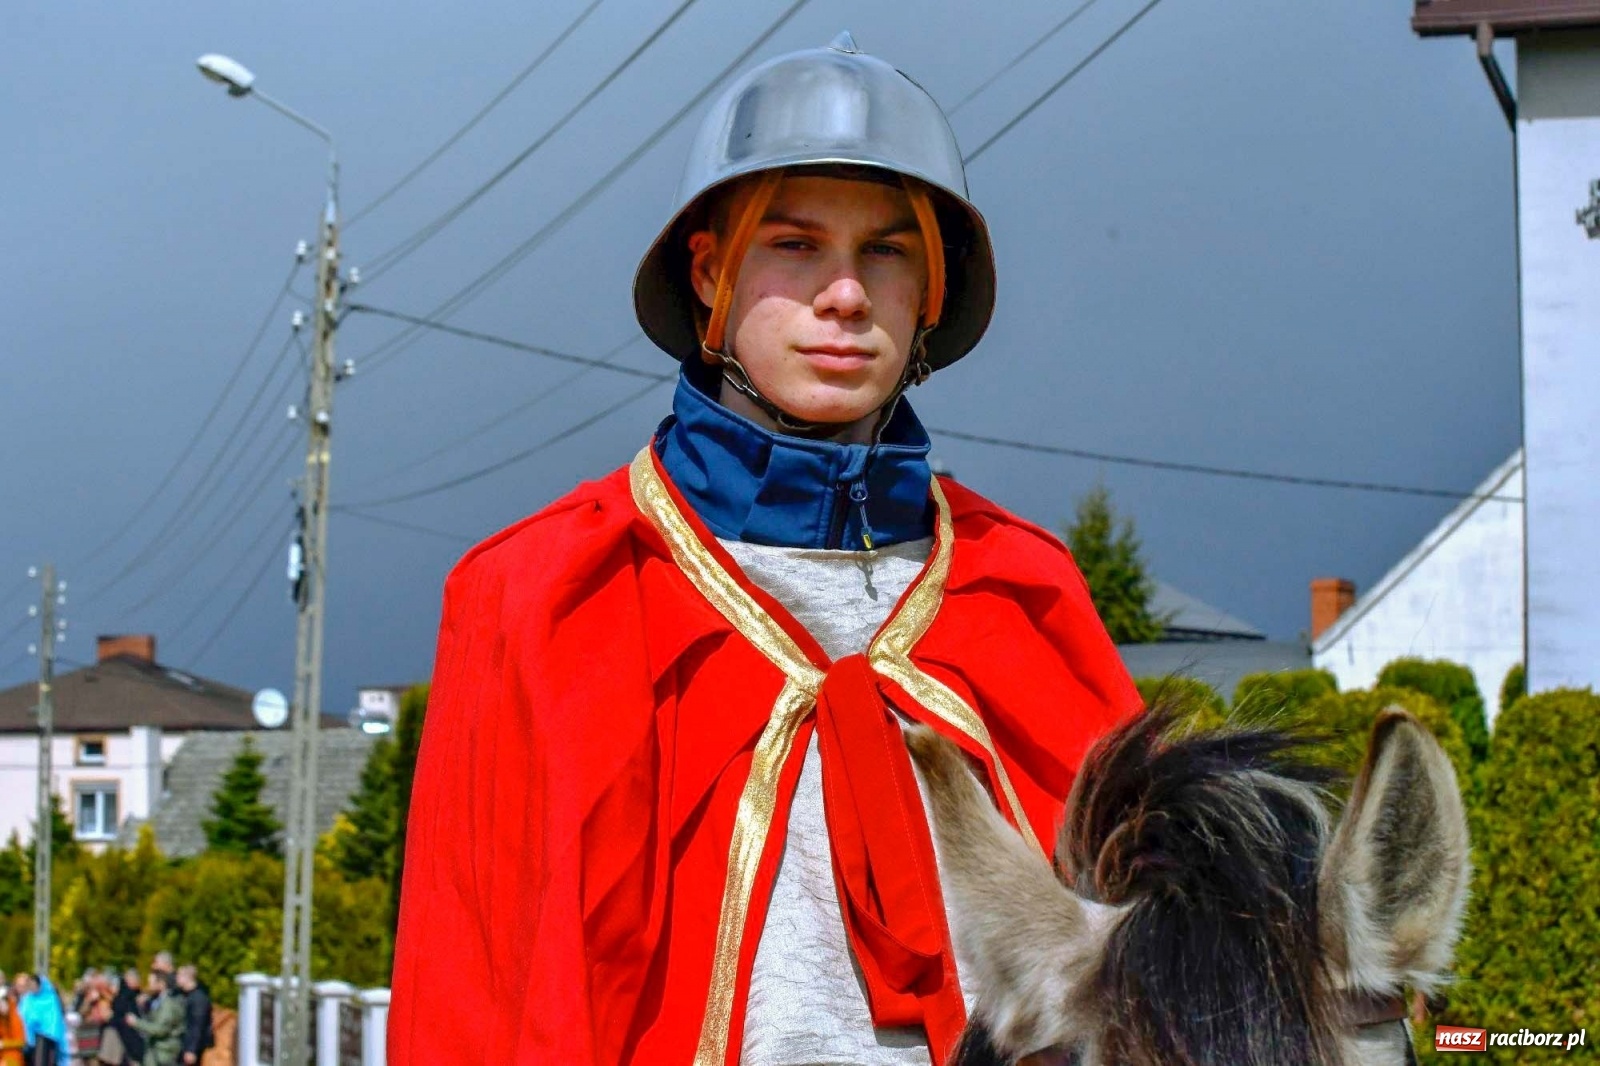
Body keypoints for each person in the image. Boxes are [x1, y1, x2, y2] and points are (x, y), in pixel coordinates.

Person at [389, 32, 1139, 1066]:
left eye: (887, 250)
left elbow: (1155, 974)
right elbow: (469, 997)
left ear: (929, 291)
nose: (843, 294)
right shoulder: (542, 593)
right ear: (709, 272)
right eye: (794, 244)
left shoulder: (1027, 591)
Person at [124, 973, 181, 1066]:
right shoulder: (156, 1000)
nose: (149, 986)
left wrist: (136, 1022)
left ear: (161, 984)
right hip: (155, 1052)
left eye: (151, 983)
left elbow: (160, 1029)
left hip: (163, 1053)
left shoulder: (168, 1005)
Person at [17, 973, 67, 1066]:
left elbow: (53, 1020)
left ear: (39, 985)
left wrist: (38, 1023)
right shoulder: (27, 999)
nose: (32, 987)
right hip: (28, 1038)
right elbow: (20, 1014)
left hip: (46, 1037)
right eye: (30, 985)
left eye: (34, 984)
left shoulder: (50, 998)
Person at [170, 970, 208, 1066]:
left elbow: (197, 1026)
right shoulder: (183, 995)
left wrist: (191, 1049)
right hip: (182, 1046)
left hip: (190, 1048)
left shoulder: (198, 998)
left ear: (187, 978)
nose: (176, 979)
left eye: (179, 976)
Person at [105, 974, 141, 1066]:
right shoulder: (125, 997)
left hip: (128, 1036)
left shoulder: (122, 999)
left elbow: (119, 1017)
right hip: (124, 1035)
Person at [0, 975, 25, 1066]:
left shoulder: (15, 1018)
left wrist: (4, 1044)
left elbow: (21, 1041)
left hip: (13, 1054)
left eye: (2, 1003)